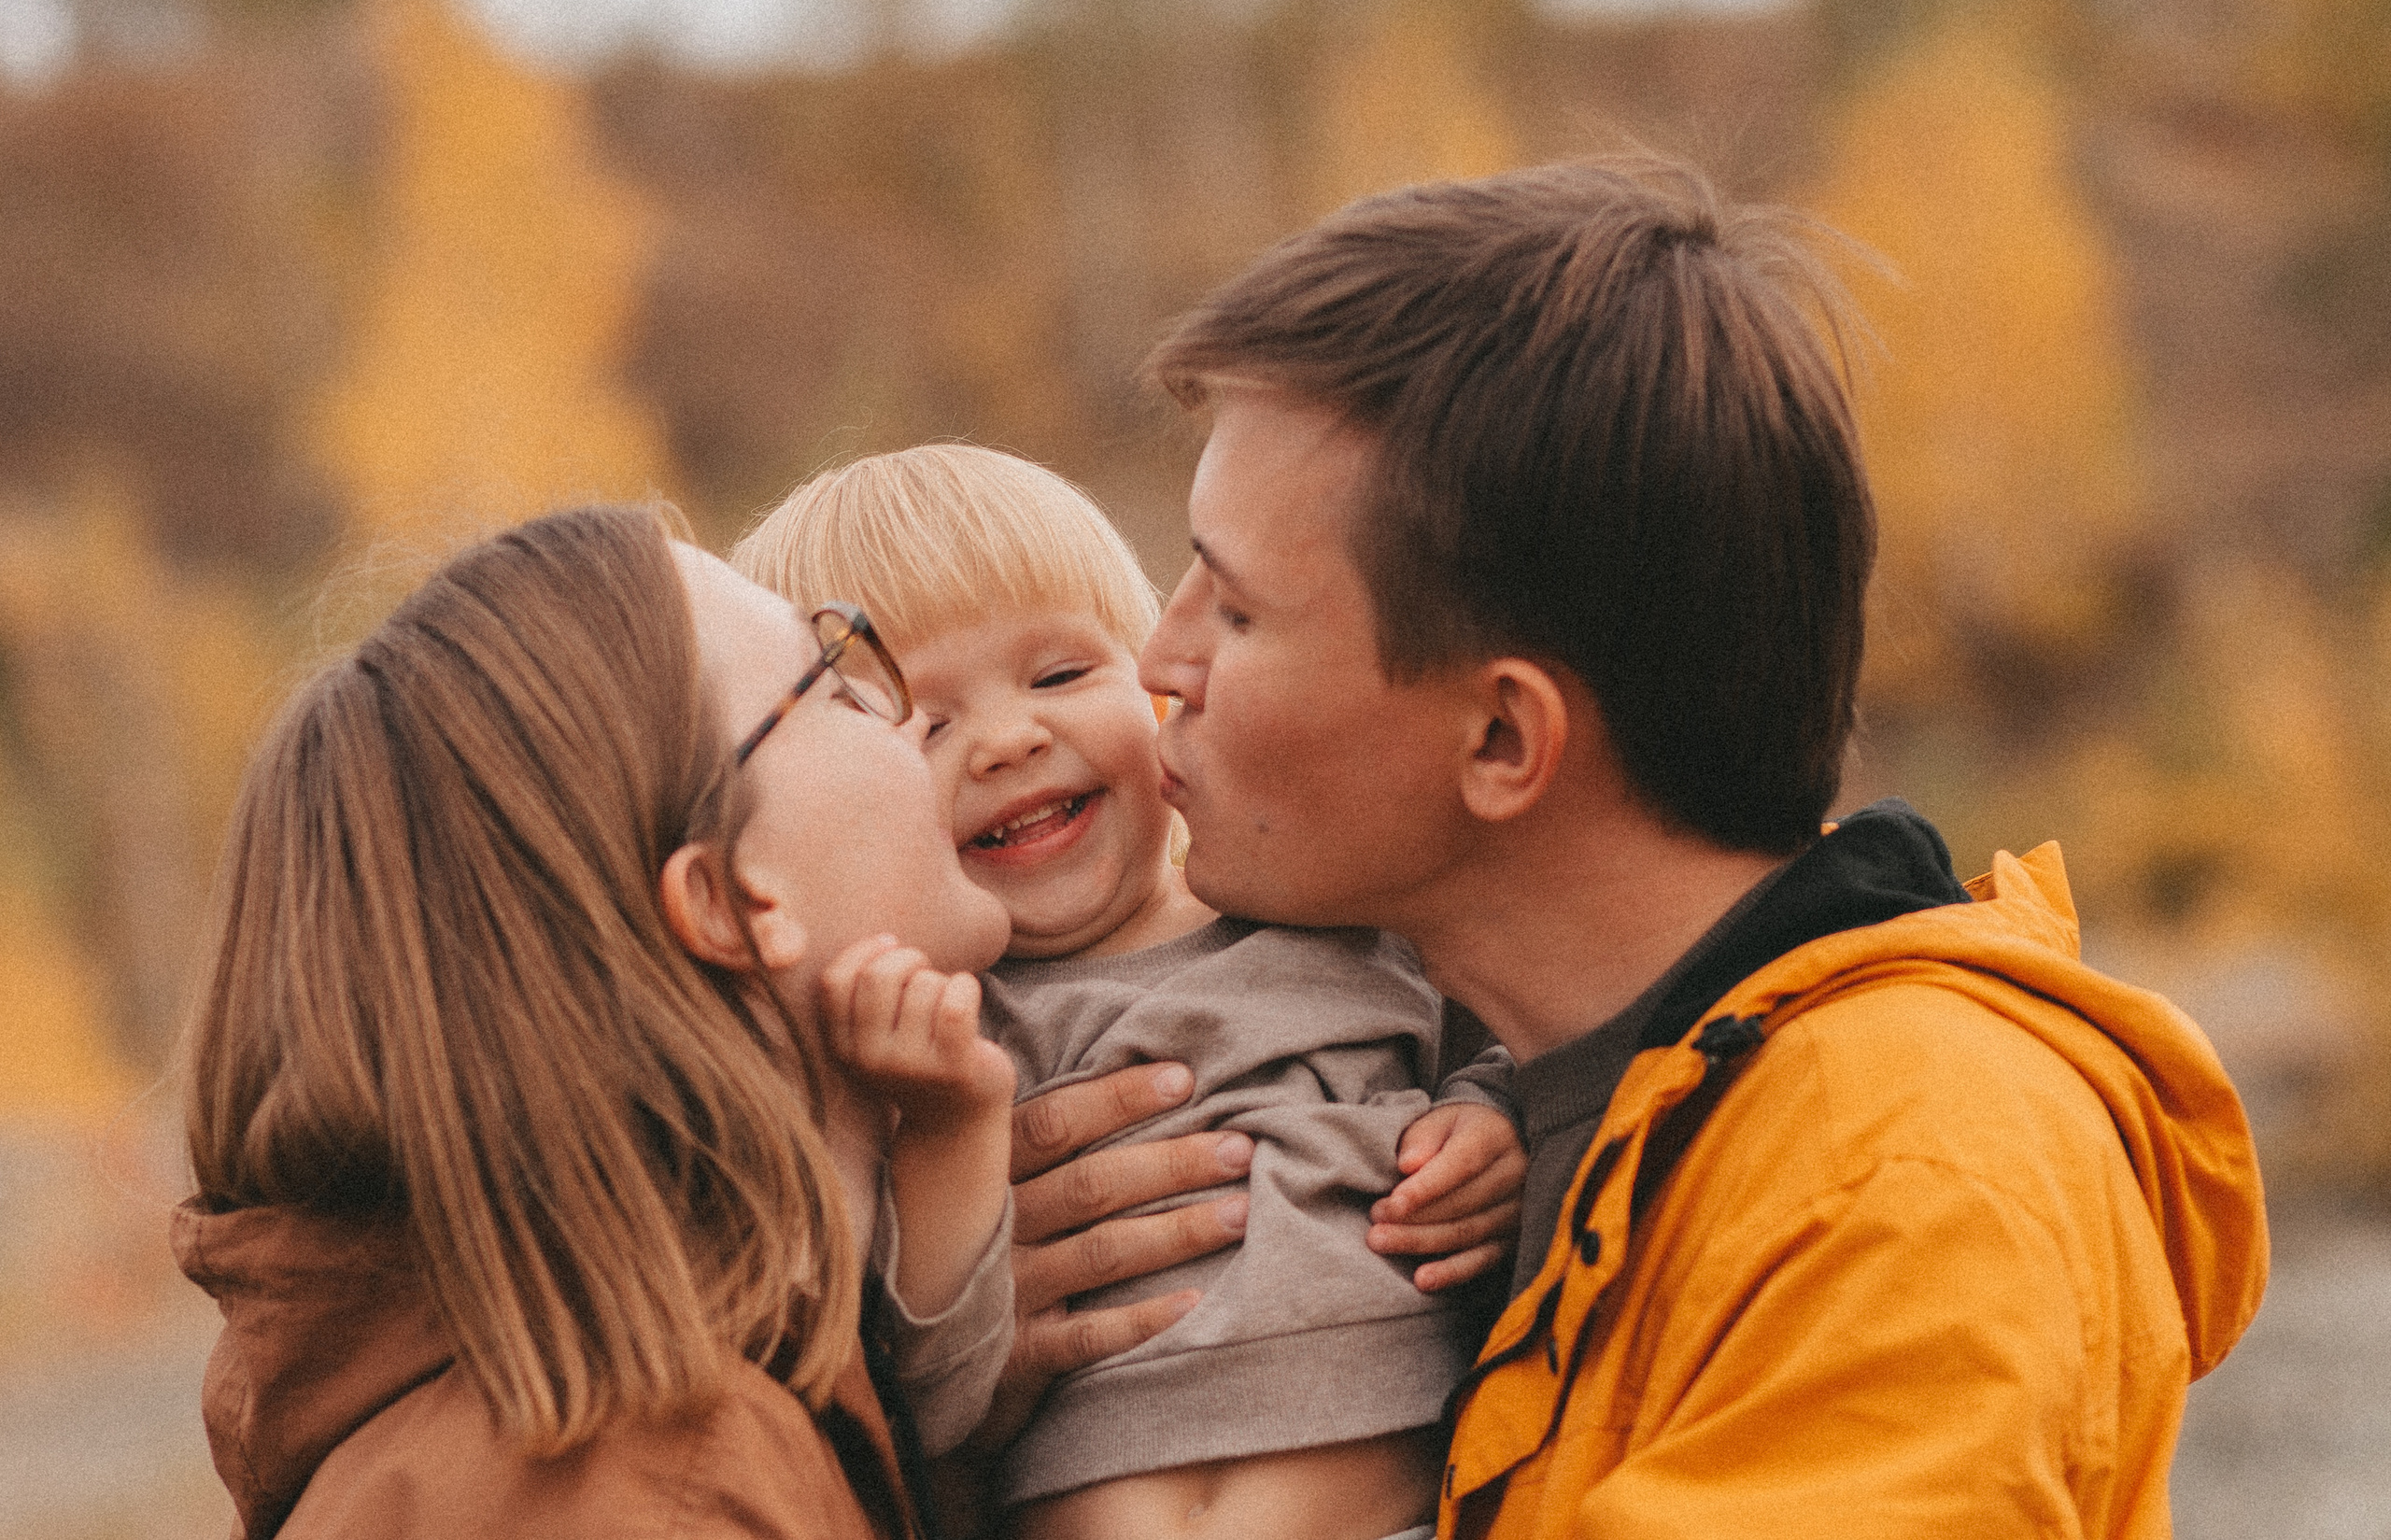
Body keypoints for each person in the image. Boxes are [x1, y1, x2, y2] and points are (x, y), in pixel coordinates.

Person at [1110, 156, 2271, 1536]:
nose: (1158, 657)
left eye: (1232, 613)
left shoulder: (1906, 1177)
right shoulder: (1451, 1080)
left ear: (1500, 741)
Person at [175, 504, 1026, 1538]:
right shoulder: (664, 1496)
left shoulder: (594, 1443)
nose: (915, 724)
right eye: (837, 682)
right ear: (731, 898)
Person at [731, 445, 1526, 1540]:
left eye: (1059, 677)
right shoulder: (930, 1036)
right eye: (929, 724)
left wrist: (1490, 1120)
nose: (1011, 740)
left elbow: (1529, 1030)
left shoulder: (1329, 911)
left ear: (1162, 687)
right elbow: (942, 1398)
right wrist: (957, 1120)